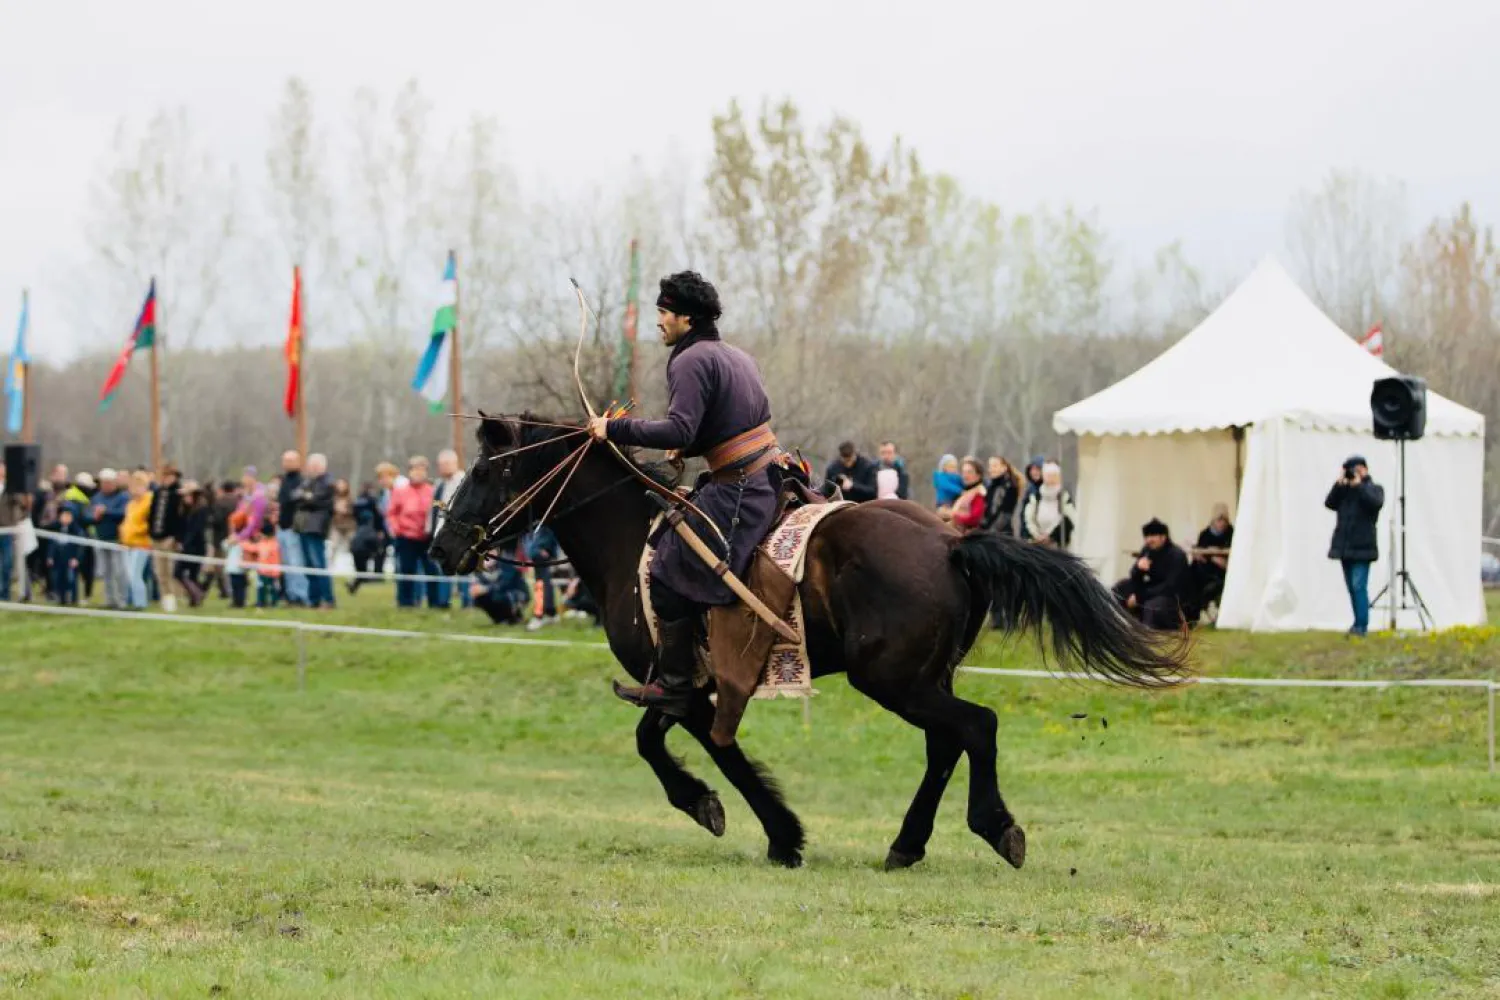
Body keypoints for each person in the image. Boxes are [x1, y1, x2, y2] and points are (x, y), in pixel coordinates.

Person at [586, 270, 778, 717]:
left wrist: (610, 428)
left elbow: (680, 426)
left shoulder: (689, 360)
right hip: (770, 473)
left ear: (686, 319)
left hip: (742, 487)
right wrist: (688, 446)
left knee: (667, 565)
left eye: (664, 312)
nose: (659, 321)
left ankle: (673, 682)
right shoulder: (736, 355)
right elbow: (725, 424)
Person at [1326, 455, 1384, 637]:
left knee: (1359, 585)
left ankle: (1361, 626)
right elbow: (1329, 503)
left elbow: (1375, 503)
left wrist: (1359, 485)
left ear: (1364, 470)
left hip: (1363, 546)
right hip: (1345, 546)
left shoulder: (1374, 489)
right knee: (1352, 587)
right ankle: (1357, 622)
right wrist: (1339, 484)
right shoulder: (1344, 492)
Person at [1112, 518, 1193, 630]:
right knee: (1120, 587)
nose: (1148, 540)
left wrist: (1140, 597)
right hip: (1152, 590)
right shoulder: (1147, 550)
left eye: (1152, 536)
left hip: (1173, 597)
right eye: (1146, 537)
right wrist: (1138, 568)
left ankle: (1147, 631)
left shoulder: (1177, 555)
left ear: (1163, 537)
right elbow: (1135, 578)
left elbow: (1170, 586)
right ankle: (1115, 624)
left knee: (1153, 605)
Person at [386, 456, 435, 608]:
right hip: (406, 537)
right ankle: (405, 602)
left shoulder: (432, 491)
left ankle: (436, 602)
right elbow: (391, 513)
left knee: (432, 570)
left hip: (427, 537)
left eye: (421, 469)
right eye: (415, 469)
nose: (418, 473)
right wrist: (395, 529)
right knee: (406, 571)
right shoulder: (400, 491)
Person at [293, 453, 337, 610]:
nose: (311, 468)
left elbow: (316, 499)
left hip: (316, 528)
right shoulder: (308, 481)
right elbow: (295, 496)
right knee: (308, 565)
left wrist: (306, 497)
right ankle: (314, 599)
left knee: (319, 564)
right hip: (304, 527)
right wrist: (305, 496)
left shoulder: (328, 482)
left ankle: (328, 599)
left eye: (314, 465)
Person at [429, 449, 466, 609]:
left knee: (464, 566)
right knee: (443, 567)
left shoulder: (465, 481)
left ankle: (468, 601)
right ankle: (443, 601)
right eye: (440, 465)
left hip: (461, 533)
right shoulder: (440, 484)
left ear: (454, 463)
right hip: (442, 533)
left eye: (446, 464)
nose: (442, 467)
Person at [147, 463, 185, 611]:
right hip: (156, 536)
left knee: (170, 570)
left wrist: (177, 538)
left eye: (169, 476)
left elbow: (181, 519)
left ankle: (174, 598)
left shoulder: (178, 494)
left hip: (170, 537)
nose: (166, 479)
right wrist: (151, 532)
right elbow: (152, 514)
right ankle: (165, 597)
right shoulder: (158, 493)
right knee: (159, 570)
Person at [276, 450, 309, 606]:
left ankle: (300, 595)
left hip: (293, 528)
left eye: (290, 461)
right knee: (287, 564)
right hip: (282, 527)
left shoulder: (300, 481)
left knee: (296, 563)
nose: (286, 464)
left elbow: (295, 501)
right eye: (285, 460)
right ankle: (290, 594)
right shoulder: (285, 480)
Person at [120, 470, 155, 610]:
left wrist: (137, 531)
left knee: (136, 574)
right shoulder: (131, 504)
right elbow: (127, 521)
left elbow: (148, 523)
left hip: (142, 543)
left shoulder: (149, 501)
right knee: (129, 574)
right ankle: (132, 600)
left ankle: (140, 602)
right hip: (128, 543)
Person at [1022, 462, 1077, 548]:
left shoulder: (1064, 496)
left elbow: (1070, 518)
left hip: (1059, 545)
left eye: (1053, 475)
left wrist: (1050, 536)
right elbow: (1028, 517)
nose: (1050, 478)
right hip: (1038, 543)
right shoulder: (1036, 496)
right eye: (1048, 475)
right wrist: (1036, 535)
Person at [1192, 502, 1235, 612]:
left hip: (1224, 573)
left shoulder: (1232, 534)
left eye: (1224, 520)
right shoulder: (1204, 534)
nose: (1222, 524)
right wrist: (1211, 557)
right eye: (1219, 520)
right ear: (1213, 521)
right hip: (1206, 572)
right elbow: (1199, 553)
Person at [173, 481, 209, 607]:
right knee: (178, 573)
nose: (185, 498)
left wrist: (185, 543)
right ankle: (197, 594)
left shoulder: (201, 509)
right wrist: (179, 540)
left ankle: (196, 596)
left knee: (191, 574)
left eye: (188, 495)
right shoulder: (184, 509)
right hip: (186, 545)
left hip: (196, 546)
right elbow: (181, 527)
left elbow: (195, 530)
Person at [0, 462, 32, 602]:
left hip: (7, 530)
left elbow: (23, 505)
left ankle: (5, 594)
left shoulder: (12, 487)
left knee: (7, 563)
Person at [470, 555, 531, 626]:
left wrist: (486, 588)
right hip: (499, 592)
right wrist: (476, 589)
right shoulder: (480, 567)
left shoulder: (506, 562)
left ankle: (515, 617)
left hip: (517, 592)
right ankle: (499, 619)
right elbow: (480, 584)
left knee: (500, 596)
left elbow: (505, 584)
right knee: (480, 597)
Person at [348, 481, 386, 594]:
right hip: (370, 534)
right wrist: (380, 530)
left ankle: (360, 579)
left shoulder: (358, 501)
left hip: (360, 535)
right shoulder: (373, 501)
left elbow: (354, 515)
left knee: (361, 561)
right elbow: (379, 517)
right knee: (379, 553)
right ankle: (376, 575)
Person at [524, 525, 560, 631]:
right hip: (538, 557)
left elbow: (549, 537)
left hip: (541, 557)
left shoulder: (544, 526)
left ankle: (539, 615)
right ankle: (550, 613)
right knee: (543, 585)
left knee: (542, 586)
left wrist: (543, 550)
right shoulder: (538, 525)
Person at [945, 457, 988, 533]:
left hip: (969, 538)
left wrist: (955, 517)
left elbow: (975, 519)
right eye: (963, 472)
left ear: (978, 476)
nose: (965, 476)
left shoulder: (979, 493)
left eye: (969, 472)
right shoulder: (966, 493)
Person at [980, 456, 1019, 535]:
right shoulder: (990, 486)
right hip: (986, 531)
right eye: (990, 466)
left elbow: (1005, 514)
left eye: (995, 466)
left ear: (1004, 468)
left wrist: (990, 533)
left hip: (1001, 533)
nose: (991, 469)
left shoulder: (1010, 486)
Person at [246, 524, 282, 608]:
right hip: (267, 572)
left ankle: (268, 602)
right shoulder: (273, 543)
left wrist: (243, 542)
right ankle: (264, 602)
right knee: (264, 588)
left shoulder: (267, 544)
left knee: (269, 588)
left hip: (268, 572)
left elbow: (253, 548)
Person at [329, 478, 356, 576]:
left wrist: (345, 510)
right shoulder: (333, 498)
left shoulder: (350, 498)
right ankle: (329, 568)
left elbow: (355, 512)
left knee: (352, 548)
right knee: (333, 546)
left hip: (349, 526)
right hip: (336, 526)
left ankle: (353, 569)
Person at [1017, 457, 1045, 539]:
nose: (1034, 472)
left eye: (1038, 469)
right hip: (1028, 535)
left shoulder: (1047, 490)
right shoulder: (1030, 489)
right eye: (1032, 470)